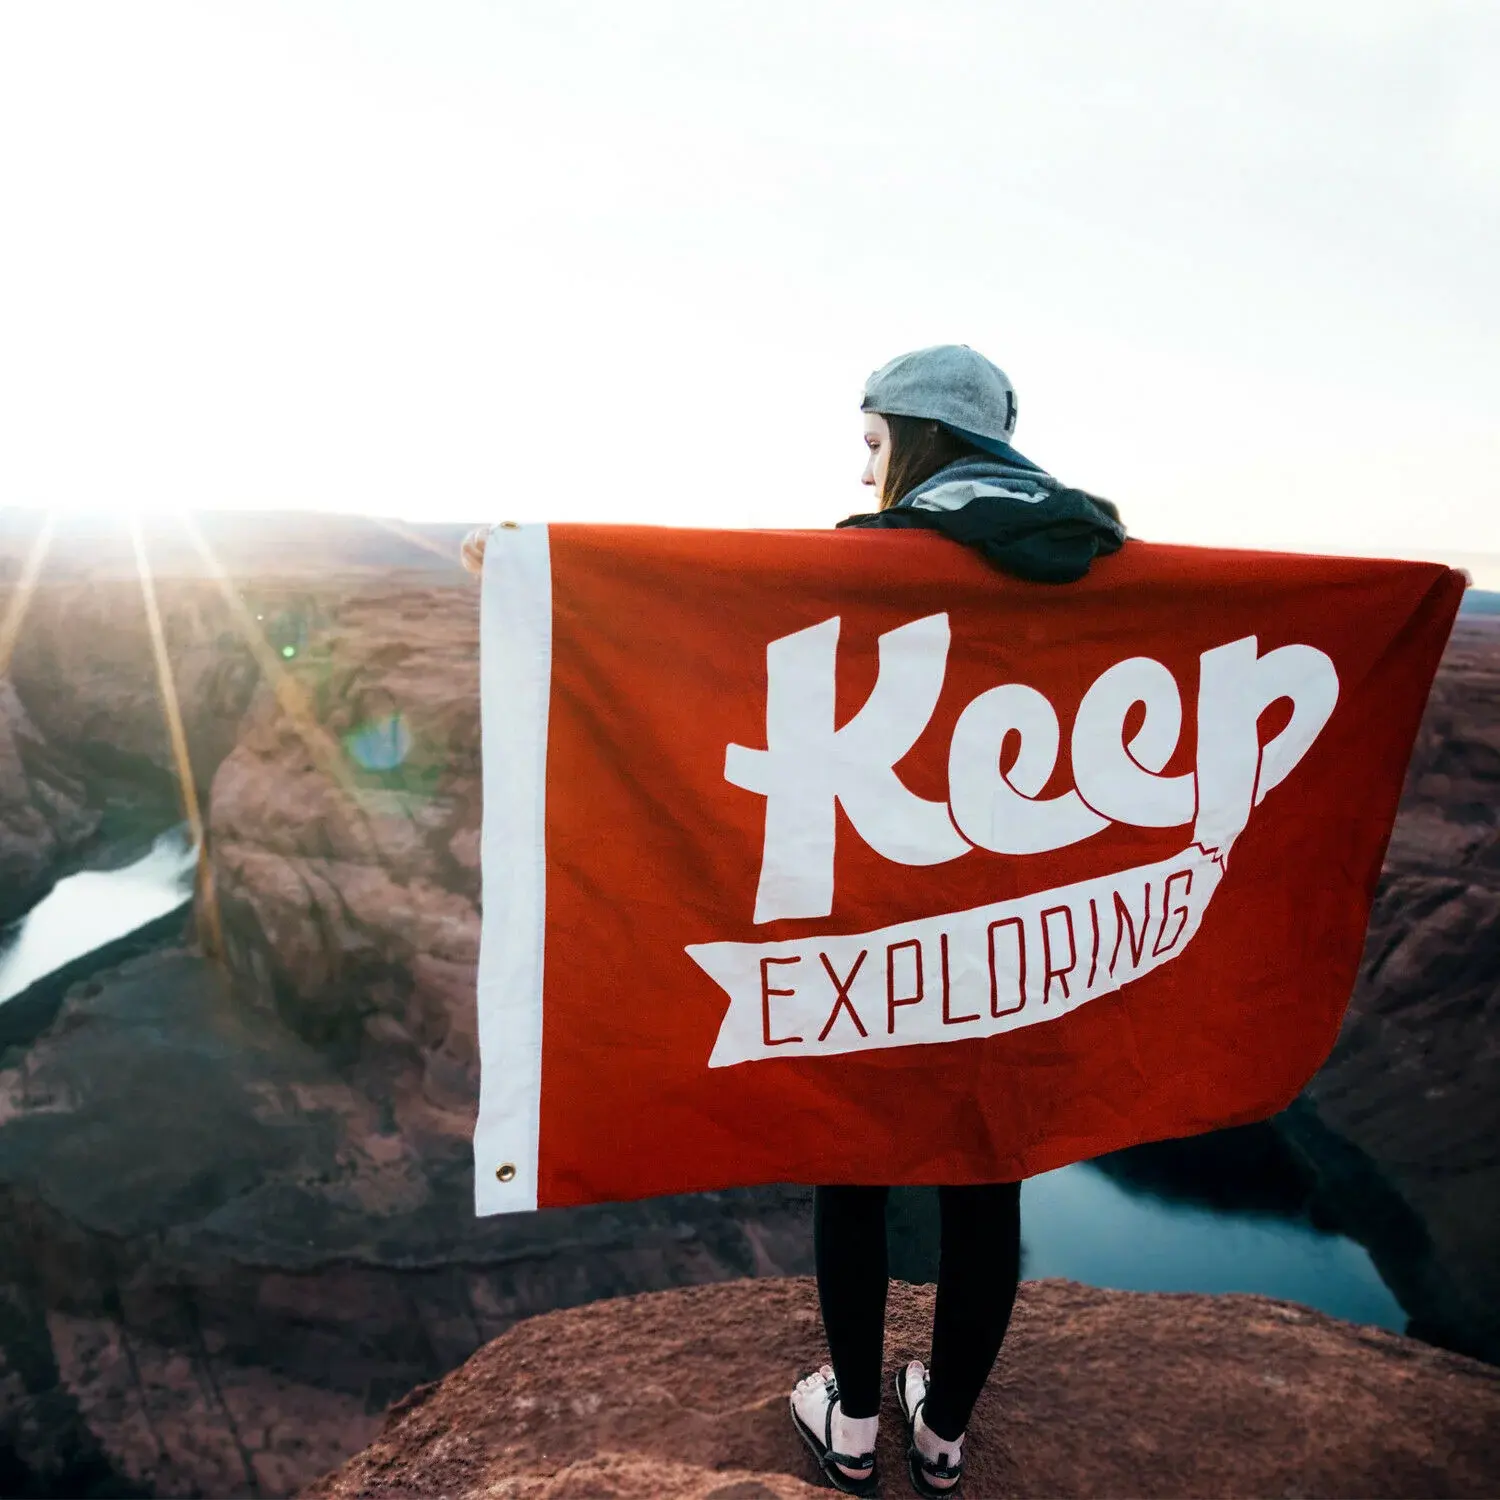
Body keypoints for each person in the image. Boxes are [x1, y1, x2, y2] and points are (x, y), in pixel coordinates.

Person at [462, 345, 1125, 1497]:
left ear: (918, 439)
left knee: (854, 1168)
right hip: (1017, 945)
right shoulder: (1100, 563)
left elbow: (702, 624)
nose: (868, 467)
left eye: (877, 443)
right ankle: (946, 1439)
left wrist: (537, 584)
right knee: (990, 1174)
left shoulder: (864, 567)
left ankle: (856, 1423)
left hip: (871, 931)